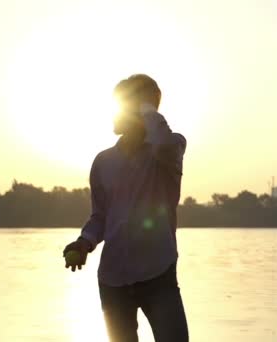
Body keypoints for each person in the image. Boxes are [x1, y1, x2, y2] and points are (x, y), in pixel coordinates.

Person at [63, 74, 189, 342]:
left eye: (121, 104)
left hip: (159, 275)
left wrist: (145, 108)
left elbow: (163, 142)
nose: (113, 112)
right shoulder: (103, 161)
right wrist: (83, 242)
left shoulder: (171, 148)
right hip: (112, 280)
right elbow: (100, 217)